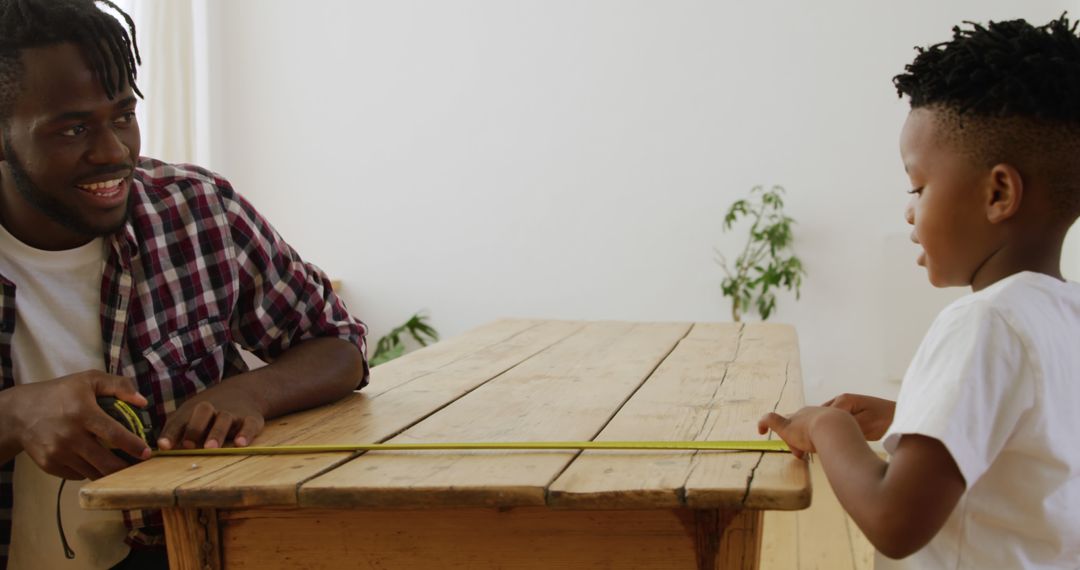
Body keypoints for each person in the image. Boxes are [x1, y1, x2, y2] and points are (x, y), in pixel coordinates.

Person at [0, 1, 369, 568]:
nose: (114, 151)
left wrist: (250, 392)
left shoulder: (197, 211)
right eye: (73, 129)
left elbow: (338, 344)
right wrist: (17, 416)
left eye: (123, 115)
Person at [758, 14, 1080, 570]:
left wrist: (829, 428)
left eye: (919, 185)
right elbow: (1032, 443)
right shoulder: (1064, 315)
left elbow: (896, 520)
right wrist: (910, 414)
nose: (909, 207)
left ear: (998, 192)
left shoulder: (986, 322)